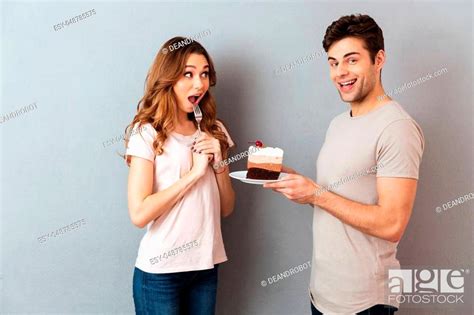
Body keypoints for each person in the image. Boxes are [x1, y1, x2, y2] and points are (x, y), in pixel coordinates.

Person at [264, 14, 424, 315]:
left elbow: (392, 224)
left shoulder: (397, 127)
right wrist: (296, 181)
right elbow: (335, 196)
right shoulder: (338, 123)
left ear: (379, 59)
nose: (340, 72)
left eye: (351, 60)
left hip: (365, 302)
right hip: (323, 294)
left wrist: (314, 194)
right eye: (333, 62)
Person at [124, 36, 235, 315]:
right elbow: (139, 214)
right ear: (169, 78)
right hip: (160, 274)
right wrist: (194, 174)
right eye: (188, 74)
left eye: (204, 74)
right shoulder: (147, 133)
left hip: (205, 268)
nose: (199, 84)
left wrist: (219, 162)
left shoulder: (214, 129)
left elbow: (227, 208)